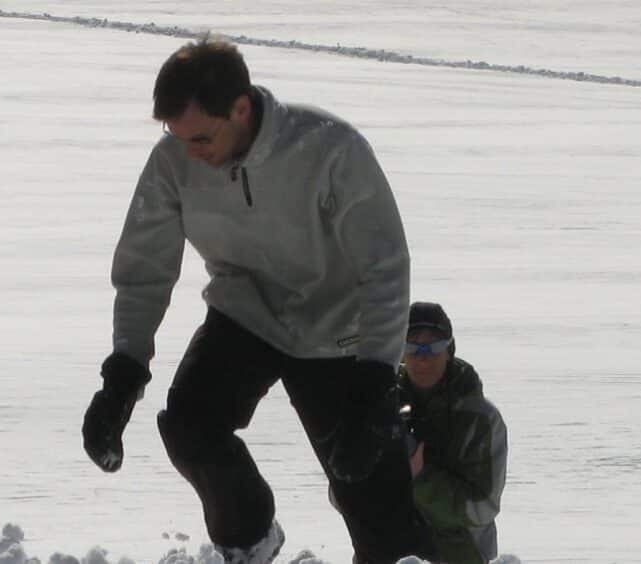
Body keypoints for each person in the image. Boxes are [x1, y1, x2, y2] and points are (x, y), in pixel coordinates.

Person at [80, 37, 425, 564]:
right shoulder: (174, 161)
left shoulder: (330, 150)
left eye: (199, 137)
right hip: (247, 313)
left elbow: (385, 268)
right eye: (177, 136)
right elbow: (144, 268)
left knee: (377, 504)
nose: (189, 151)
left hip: (339, 333)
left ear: (240, 109)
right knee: (190, 426)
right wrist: (124, 370)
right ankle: (250, 540)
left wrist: (375, 380)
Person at [398, 302, 507, 564]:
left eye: (434, 347)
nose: (423, 357)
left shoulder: (481, 420)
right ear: (400, 352)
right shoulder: (382, 407)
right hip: (388, 548)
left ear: (449, 350)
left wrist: (421, 477)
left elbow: (483, 508)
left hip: (461, 554)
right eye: (413, 346)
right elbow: (342, 496)